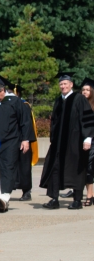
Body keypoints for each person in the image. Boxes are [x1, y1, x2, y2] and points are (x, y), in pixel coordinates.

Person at [0, 75, 34, 212]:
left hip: (11, 141)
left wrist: (26, 140)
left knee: (8, 168)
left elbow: (25, 122)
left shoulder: (16, 102)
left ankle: (3, 198)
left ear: (2, 90)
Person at [40, 73, 94, 209]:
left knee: (77, 169)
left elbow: (87, 119)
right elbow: (54, 122)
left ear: (71, 85)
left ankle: (77, 200)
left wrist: (87, 138)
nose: (63, 86)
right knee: (55, 168)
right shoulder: (59, 100)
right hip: (58, 143)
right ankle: (54, 199)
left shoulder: (79, 99)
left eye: (65, 84)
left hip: (75, 142)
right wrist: (53, 138)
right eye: (61, 84)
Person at [11, 83, 38, 201]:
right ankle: (4, 191)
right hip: (11, 140)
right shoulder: (7, 105)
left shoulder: (24, 105)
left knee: (24, 166)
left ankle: (27, 191)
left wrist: (25, 139)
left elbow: (27, 124)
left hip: (23, 140)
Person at [83, 79, 94, 205]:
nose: (85, 92)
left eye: (87, 90)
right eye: (83, 90)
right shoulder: (80, 104)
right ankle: (90, 195)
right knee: (88, 169)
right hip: (85, 141)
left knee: (91, 168)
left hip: (92, 140)